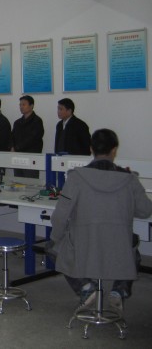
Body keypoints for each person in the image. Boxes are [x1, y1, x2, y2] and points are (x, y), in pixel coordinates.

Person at [50, 129, 152, 312]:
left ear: (91, 149)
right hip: (118, 246)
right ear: (114, 150)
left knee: (53, 248)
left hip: (84, 246)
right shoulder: (129, 179)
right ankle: (119, 290)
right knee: (133, 249)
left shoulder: (76, 177)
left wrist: (56, 239)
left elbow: (60, 216)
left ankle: (86, 287)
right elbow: (145, 211)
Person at [11, 95, 44, 178]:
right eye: (20, 105)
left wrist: (17, 147)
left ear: (31, 106)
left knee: (31, 181)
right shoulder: (17, 122)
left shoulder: (37, 121)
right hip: (17, 157)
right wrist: (12, 147)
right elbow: (12, 137)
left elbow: (33, 139)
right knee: (18, 181)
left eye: (24, 104)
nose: (21, 107)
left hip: (31, 157)